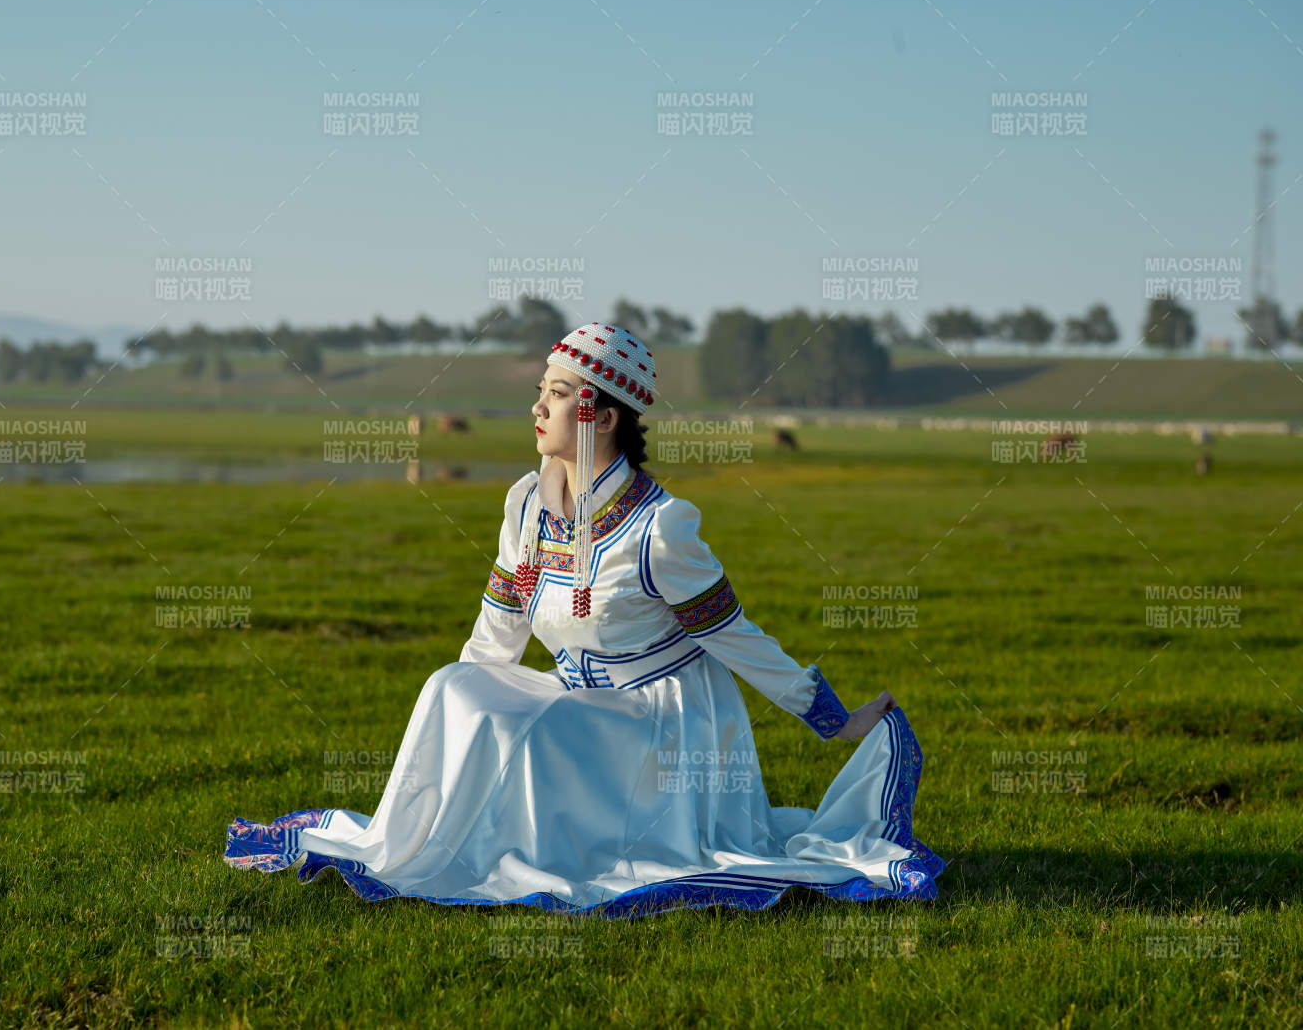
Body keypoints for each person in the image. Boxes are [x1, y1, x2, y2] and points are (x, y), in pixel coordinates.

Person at [225, 323, 944, 918]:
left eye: (558, 394)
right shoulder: (528, 508)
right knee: (451, 685)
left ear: (600, 414)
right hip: (579, 695)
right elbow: (496, 633)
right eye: (540, 391)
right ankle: (416, 844)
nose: (537, 408)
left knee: (536, 734)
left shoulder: (661, 529)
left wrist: (832, 716)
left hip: (664, 722)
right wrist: (465, 706)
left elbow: (735, 637)